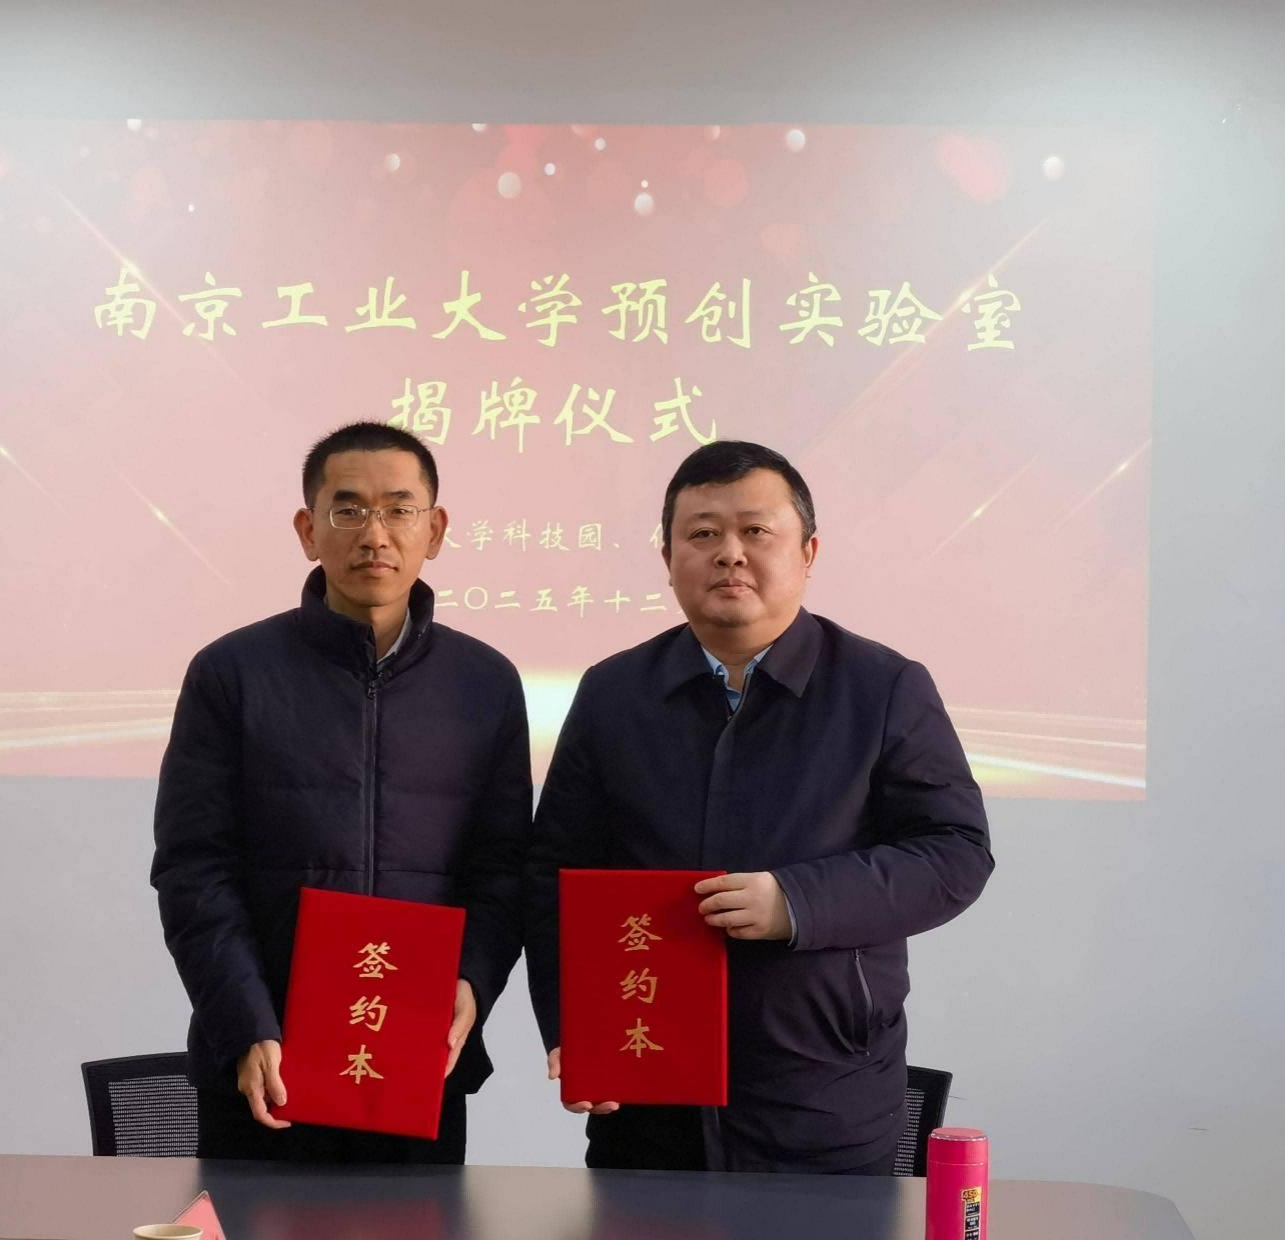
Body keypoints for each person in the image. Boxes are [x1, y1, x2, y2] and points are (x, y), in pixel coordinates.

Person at [526, 440, 994, 1174]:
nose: (729, 553)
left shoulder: (881, 687)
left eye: (755, 531)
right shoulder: (614, 692)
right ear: (667, 557)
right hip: (649, 1099)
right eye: (703, 533)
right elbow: (554, 873)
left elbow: (954, 853)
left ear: (808, 552)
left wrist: (796, 903)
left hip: (822, 1094)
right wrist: (573, 1026)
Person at [153, 421, 530, 1164]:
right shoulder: (232, 674)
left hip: (419, 1062)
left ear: (435, 530)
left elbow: (504, 868)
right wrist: (246, 1025)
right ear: (308, 530)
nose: (374, 534)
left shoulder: (484, 684)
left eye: (399, 509)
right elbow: (194, 869)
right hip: (264, 1068)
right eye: (348, 509)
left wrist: (473, 980)